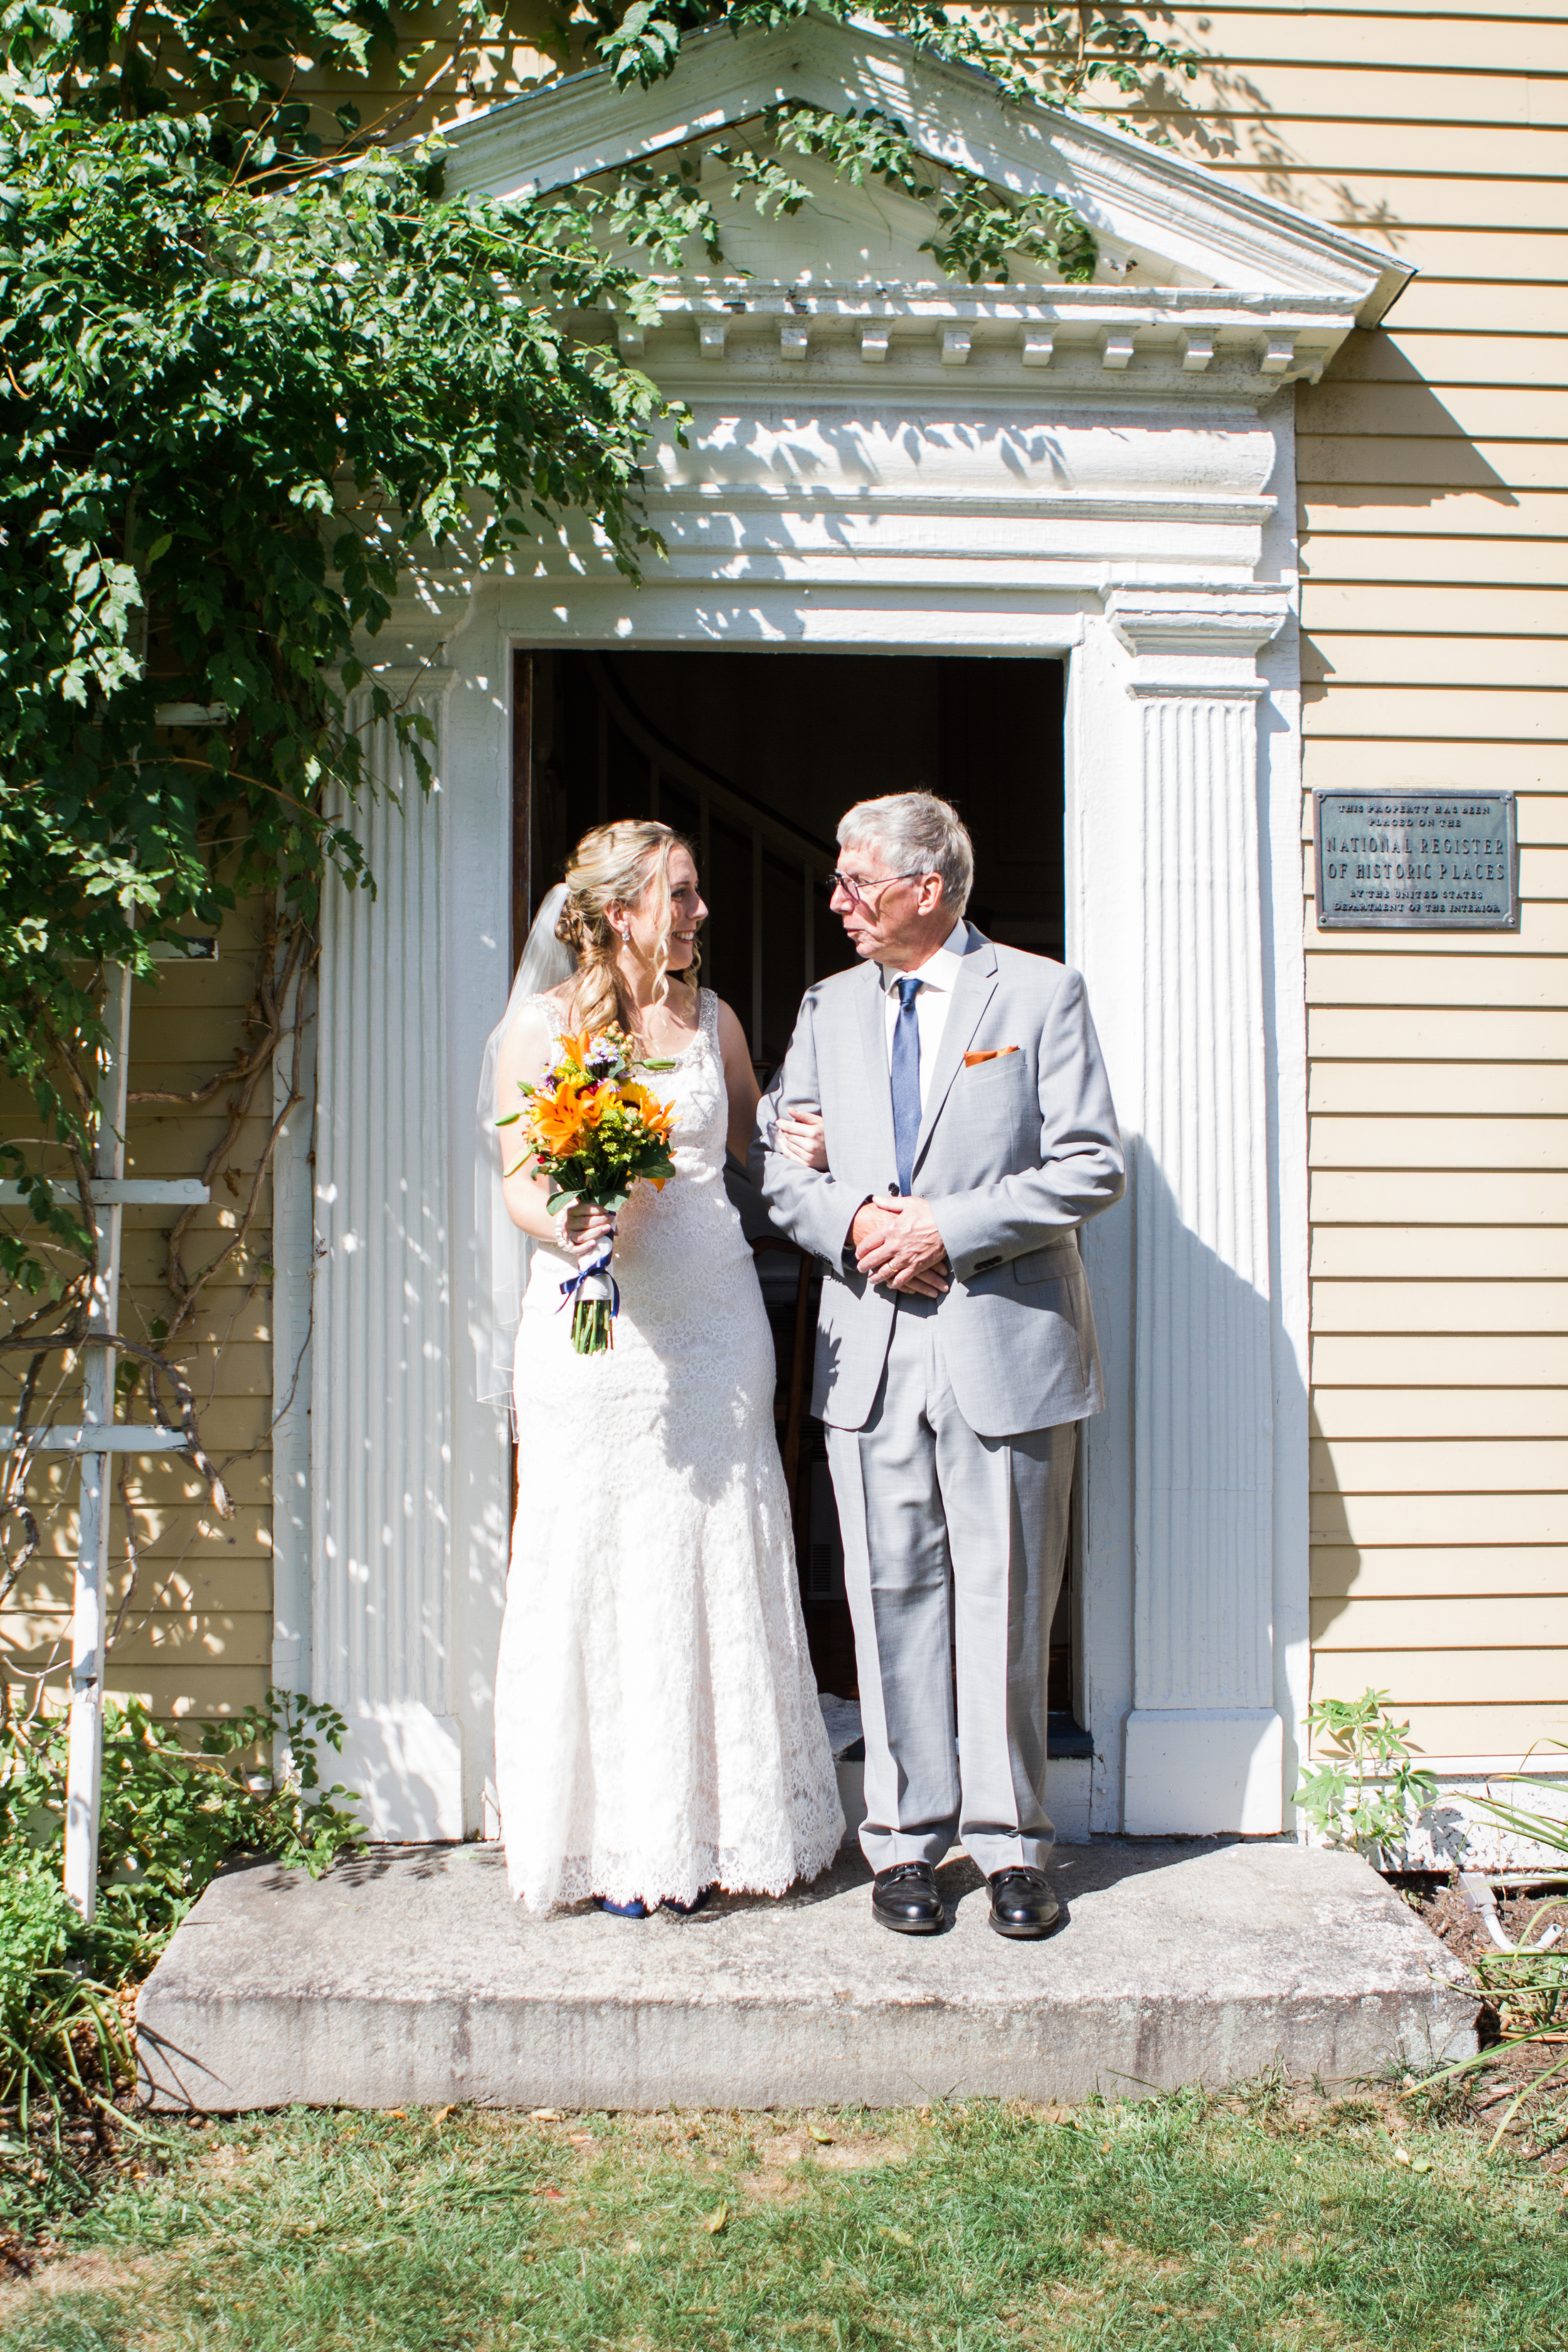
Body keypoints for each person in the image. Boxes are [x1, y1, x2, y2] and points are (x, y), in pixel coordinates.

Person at [751, 793, 1125, 1941]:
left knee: (1010, 1598)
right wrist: (857, 1221)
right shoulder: (826, 1006)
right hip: (868, 1348)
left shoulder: (1042, 993)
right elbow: (781, 1163)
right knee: (889, 1596)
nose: (837, 902)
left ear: (927, 888)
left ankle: (1013, 1845)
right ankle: (907, 1842)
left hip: (1003, 1344)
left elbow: (1090, 1163)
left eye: (855, 883)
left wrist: (947, 1230)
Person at [479, 818, 844, 1916]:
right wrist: (567, 1218)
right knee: (597, 1557)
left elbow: (756, 1144)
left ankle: (723, 1827)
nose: (699, 914)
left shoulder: (713, 1020)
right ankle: (617, 1844)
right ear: (624, 908)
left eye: (697, 893)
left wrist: (811, 1139)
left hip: (714, 1322)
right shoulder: (541, 1029)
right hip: (594, 1336)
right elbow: (515, 1178)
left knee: (712, 1557)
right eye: (681, 895)